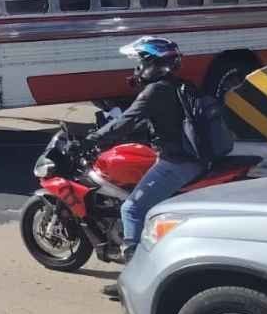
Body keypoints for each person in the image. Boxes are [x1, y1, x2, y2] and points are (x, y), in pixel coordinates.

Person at [85, 37, 204, 290]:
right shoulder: (181, 85)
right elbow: (154, 120)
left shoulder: (155, 90)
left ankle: (131, 281)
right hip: (197, 157)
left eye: (140, 62)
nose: (137, 68)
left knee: (132, 209)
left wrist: (93, 138)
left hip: (177, 162)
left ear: (152, 63)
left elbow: (126, 120)